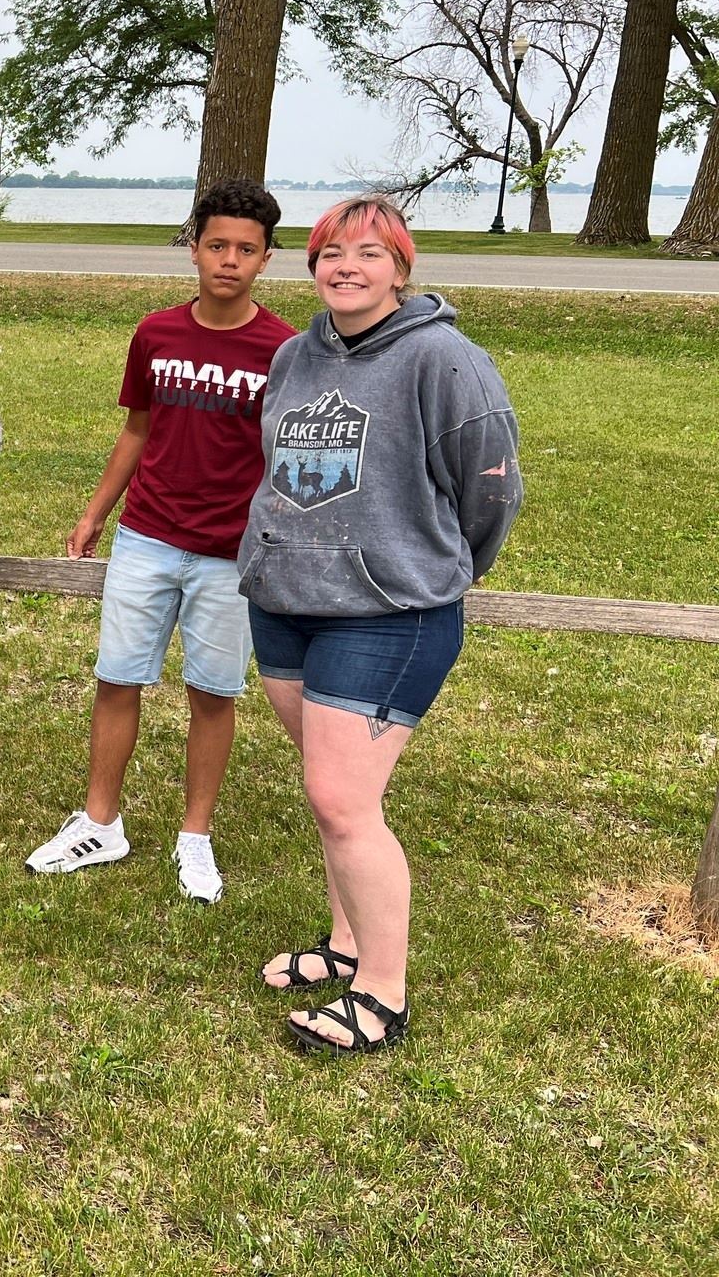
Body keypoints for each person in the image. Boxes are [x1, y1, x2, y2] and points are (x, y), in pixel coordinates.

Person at [240, 195, 521, 1054]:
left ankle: (382, 994)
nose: (346, 267)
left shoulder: (444, 359)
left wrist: (427, 567)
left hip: (390, 614)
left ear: (401, 267)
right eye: (331, 252)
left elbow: (493, 489)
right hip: (286, 604)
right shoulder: (294, 355)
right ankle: (345, 942)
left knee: (342, 800)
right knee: (337, 796)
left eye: (368, 253)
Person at [24, 180, 297, 902]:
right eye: (216, 245)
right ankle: (99, 822)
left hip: (228, 553)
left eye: (246, 249)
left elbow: (286, 461)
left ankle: (195, 837)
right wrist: (96, 512)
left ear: (267, 259)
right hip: (147, 536)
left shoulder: (286, 351)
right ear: (194, 249)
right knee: (118, 679)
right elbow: (137, 430)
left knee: (211, 693)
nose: (229, 261)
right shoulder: (157, 333)